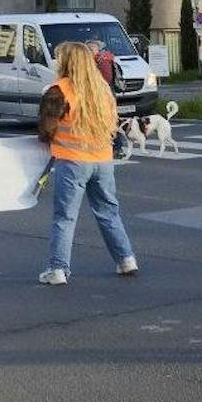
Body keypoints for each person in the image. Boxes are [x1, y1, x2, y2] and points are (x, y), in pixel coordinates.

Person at [36, 41, 138, 285]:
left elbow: (46, 129)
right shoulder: (102, 89)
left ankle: (58, 269)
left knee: (65, 217)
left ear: (67, 62)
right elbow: (112, 122)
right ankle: (126, 259)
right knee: (108, 213)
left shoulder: (58, 91)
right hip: (102, 160)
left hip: (72, 162)